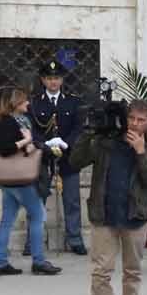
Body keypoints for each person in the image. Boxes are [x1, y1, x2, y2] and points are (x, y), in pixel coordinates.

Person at [69, 100, 147, 295]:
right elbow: (76, 161)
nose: (134, 124)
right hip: (104, 213)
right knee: (101, 269)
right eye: (131, 118)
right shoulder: (106, 143)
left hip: (135, 215)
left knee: (132, 269)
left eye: (140, 120)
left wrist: (140, 152)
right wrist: (88, 133)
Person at [0, 87, 61, 277]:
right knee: (38, 216)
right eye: (24, 101)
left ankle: (1, 262)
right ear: (15, 103)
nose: (28, 104)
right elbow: (5, 149)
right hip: (21, 180)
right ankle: (38, 261)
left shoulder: (17, 121)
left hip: (10, 180)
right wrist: (26, 141)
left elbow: (20, 148)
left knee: (7, 220)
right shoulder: (9, 122)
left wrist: (30, 145)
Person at [29, 60, 87, 255]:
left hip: (68, 156)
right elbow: (32, 129)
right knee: (39, 198)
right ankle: (33, 241)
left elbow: (79, 128)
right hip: (43, 157)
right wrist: (44, 145)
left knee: (71, 200)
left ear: (62, 80)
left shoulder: (73, 101)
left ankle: (75, 239)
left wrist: (66, 142)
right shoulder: (35, 102)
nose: (53, 82)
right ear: (43, 80)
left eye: (57, 78)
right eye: (49, 78)